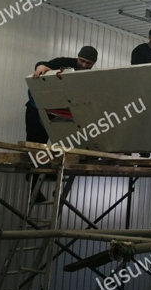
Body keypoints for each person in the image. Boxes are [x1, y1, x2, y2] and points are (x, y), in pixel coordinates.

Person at [25, 45, 97, 201]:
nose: (84, 65)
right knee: (37, 145)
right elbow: (43, 64)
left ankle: (55, 181)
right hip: (36, 110)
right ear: (77, 57)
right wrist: (40, 68)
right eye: (82, 61)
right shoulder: (64, 63)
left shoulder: (89, 77)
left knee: (64, 143)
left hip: (61, 113)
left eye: (89, 63)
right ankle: (33, 186)